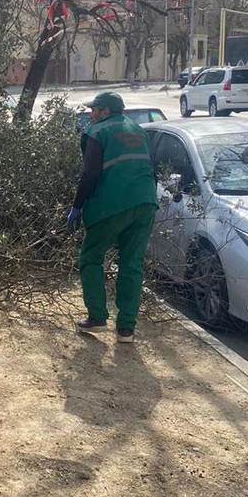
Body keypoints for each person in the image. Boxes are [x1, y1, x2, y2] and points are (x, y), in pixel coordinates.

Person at [65, 91, 157, 343]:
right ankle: (126, 328)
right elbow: (150, 167)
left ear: (105, 111)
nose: (90, 114)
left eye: (94, 109)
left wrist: (77, 206)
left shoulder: (98, 132)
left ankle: (96, 316)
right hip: (146, 202)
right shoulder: (138, 130)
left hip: (112, 204)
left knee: (90, 257)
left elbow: (90, 174)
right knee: (132, 264)